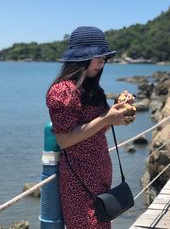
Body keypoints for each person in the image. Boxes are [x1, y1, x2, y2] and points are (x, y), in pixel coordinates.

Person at [46, 26, 134, 228]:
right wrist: (106, 118)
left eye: (104, 57)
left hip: (100, 173)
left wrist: (119, 111)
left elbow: (101, 128)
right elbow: (64, 140)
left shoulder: (94, 89)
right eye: (98, 56)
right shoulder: (62, 92)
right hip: (79, 180)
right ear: (80, 58)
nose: (102, 61)